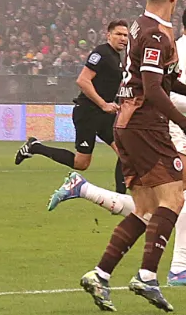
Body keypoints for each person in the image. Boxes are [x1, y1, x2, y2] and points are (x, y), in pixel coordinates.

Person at [48, 4, 186, 288]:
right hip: (158, 126)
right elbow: (162, 94)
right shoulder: (179, 50)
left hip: (153, 125)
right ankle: (174, 270)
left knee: (152, 205)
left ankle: (86, 197)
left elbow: (172, 91)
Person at [79, 0, 186, 313]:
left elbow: (154, 77)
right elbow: (152, 88)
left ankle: (100, 274)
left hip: (128, 123)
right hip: (144, 125)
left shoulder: (141, 25)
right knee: (175, 197)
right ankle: (147, 275)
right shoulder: (155, 34)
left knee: (145, 208)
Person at [14, 20, 129, 192]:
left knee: (126, 153)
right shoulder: (101, 53)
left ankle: (120, 198)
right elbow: (82, 80)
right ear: (108, 35)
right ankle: (35, 146)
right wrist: (103, 104)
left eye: (125, 35)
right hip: (88, 113)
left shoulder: (116, 57)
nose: (123, 38)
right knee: (81, 163)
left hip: (104, 115)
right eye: (118, 34)